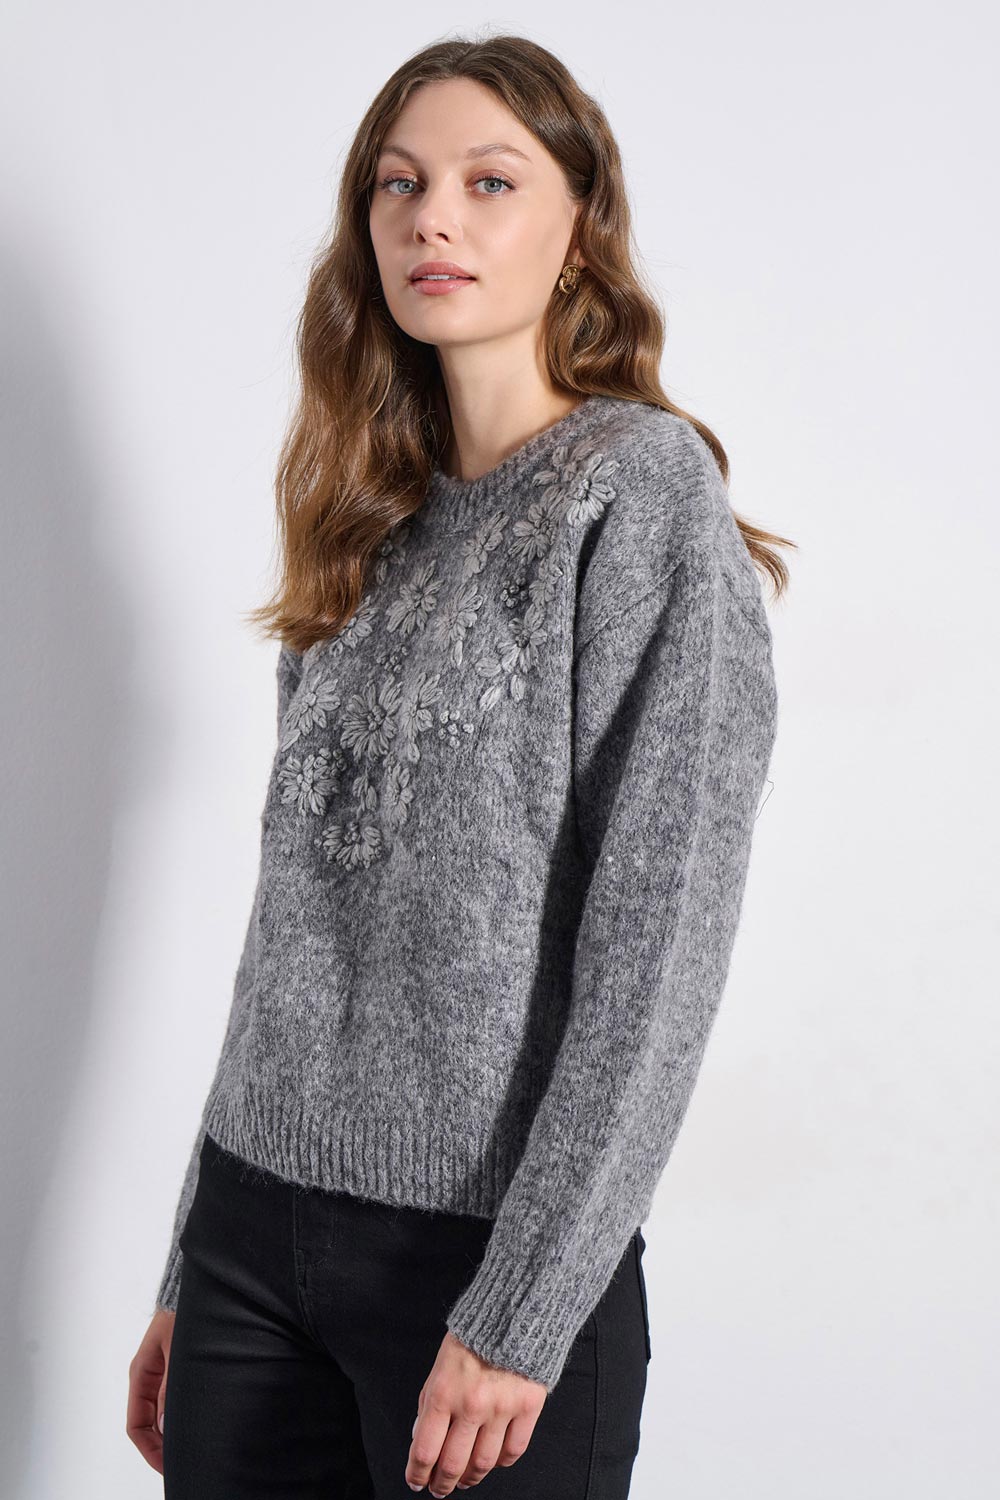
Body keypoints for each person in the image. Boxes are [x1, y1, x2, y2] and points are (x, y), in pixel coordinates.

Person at [126, 31, 792, 1500]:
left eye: (490, 182)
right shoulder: (364, 515)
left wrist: (524, 1308)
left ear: (579, 228)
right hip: (249, 1243)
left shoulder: (640, 496)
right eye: (399, 184)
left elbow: (661, 948)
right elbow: (292, 930)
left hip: (480, 1266)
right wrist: (190, 1258)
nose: (434, 217)